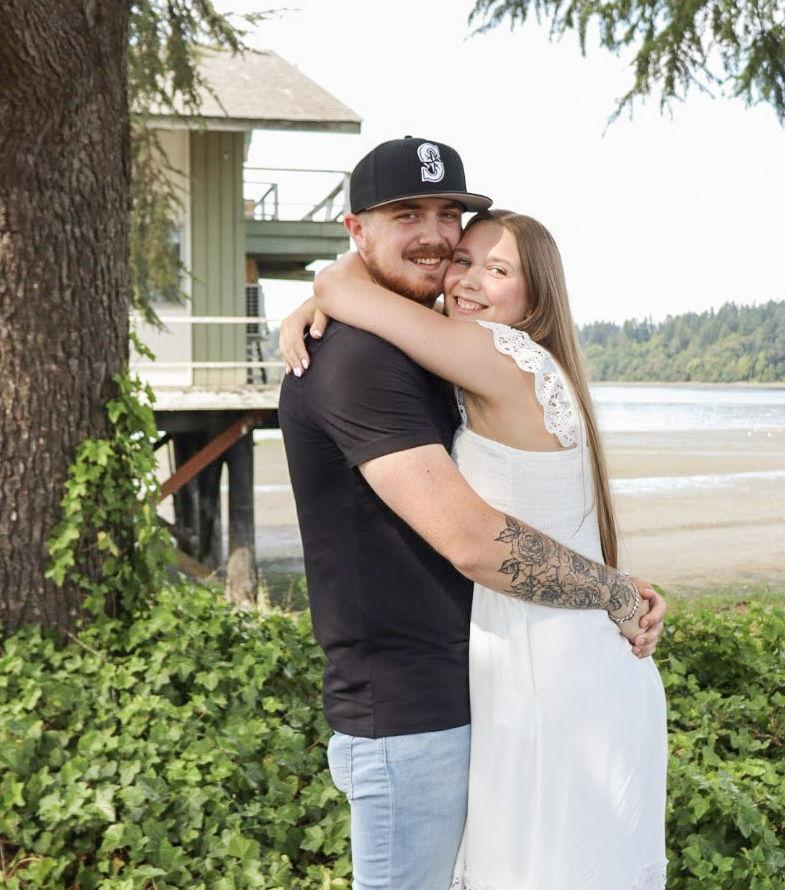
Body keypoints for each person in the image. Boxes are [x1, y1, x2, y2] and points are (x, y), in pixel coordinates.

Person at [277, 137, 667, 890]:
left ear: (536, 296)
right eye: (407, 215)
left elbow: (354, 288)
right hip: (417, 709)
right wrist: (614, 589)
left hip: (520, 682)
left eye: (447, 216)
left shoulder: (469, 352)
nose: (436, 240)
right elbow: (473, 540)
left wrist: (329, 288)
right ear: (357, 228)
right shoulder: (364, 358)